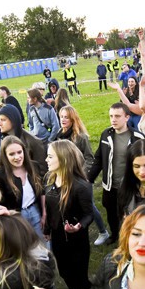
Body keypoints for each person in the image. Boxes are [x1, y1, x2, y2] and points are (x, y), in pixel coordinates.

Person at [89, 103, 145, 245]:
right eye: (111, 116)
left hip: (130, 186)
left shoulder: (137, 137)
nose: (113, 119)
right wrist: (88, 179)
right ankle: (115, 235)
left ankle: (131, 238)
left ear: (127, 117)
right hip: (110, 186)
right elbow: (99, 159)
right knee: (111, 212)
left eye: (117, 116)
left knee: (130, 214)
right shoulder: (105, 134)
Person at [43, 140, 93, 289]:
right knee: (64, 272)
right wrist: (47, 229)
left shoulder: (80, 186)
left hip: (77, 241)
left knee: (80, 276)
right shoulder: (50, 181)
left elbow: (89, 214)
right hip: (58, 239)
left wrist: (79, 226)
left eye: (50, 157)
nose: (46, 160)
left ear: (63, 158)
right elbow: (51, 210)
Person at [57, 105, 110, 245]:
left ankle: (103, 232)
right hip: (65, 178)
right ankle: (73, 229)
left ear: (73, 119)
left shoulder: (80, 137)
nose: (63, 119)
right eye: (61, 116)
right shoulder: (59, 134)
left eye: (66, 117)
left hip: (80, 178)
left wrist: (83, 176)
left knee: (89, 206)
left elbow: (90, 158)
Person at [0, 135, 45, 238]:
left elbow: (42, 191)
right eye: (11, 154)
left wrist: (44, 214)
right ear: (5, 156)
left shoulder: (34, 167)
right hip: (16, 216)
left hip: (35, 211)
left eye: (19, 152)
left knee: (43, 245)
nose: (17, 157)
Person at [0, 103, 48, 175]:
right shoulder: (3, 140)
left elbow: (42, 170)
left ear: (13, 120)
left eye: (3, 120)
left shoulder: (33, 141)